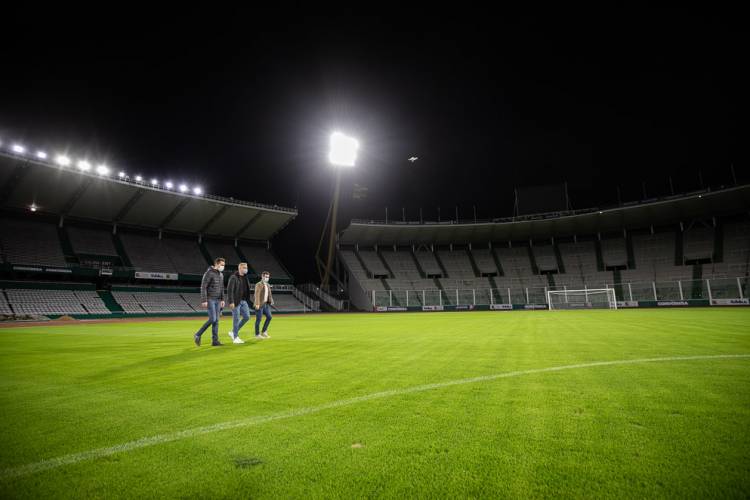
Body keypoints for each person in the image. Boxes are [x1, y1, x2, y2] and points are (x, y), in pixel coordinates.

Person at [194, 258, 225, 346]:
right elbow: (203, 287)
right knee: (213, 319)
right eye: (222, 265)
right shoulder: (209, 273)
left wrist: (222, 299)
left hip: (218, 300)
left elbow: (222, 288)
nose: (223, 267)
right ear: (216, 264)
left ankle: (215, 341)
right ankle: (197, 334)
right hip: (210, 299)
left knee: (216, 321)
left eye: (224, 265)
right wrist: (204, 300)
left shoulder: (221, 275)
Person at [227, 262, 252, 344]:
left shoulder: (246, 278)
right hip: (236, 301)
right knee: (236, 318)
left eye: (246, 267)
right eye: (244, 267)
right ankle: (235, 338)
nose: (246, 269)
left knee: (247, 317)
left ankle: (233, 331)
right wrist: (231, 301)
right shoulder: (234, 277)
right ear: (240, 268)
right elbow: (230, 290)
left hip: (244, 301)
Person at [253, 271, 273, 339]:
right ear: (262, 276)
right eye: (265, 276)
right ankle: (257, 334)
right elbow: (257, 294)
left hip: (266, 304)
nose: (267, 278)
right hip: (259, 304)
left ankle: (264, 331)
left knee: (269, 317)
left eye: (268, 277)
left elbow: (269, 294)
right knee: (258, 319)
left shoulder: (267, 285)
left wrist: (271, 301)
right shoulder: (258, 284)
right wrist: (257, 303)